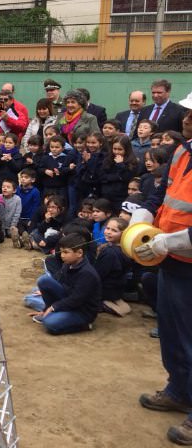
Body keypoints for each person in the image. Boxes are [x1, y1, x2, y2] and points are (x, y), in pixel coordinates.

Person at [129, 95, 192, 445]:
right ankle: (180, 389)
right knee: (171, 330)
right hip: (172, 260)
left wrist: (171, 241)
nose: (187, 118)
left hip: (184, 255)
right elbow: (160, 194)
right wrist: (143, 216)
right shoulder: (183, 152)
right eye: (188, 111)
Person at [28, 232, 101, 335]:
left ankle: (84, 325)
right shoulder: (68, 264)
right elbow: (57, 280)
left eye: (66, 252)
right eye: (61, 252)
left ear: (79, 253)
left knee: (49, 323)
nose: (62, 255)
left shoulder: (87, 273)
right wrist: (46, 302)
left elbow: (76, 299)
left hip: (82, 311)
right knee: (43, 281)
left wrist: (54, 307)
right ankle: (48, 311)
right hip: (68, 298)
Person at [95, 217, 131, 317]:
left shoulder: (110, 252)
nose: (108, 232)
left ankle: (106, 304)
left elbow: (98, 275)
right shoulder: (126, 248)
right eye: (108, 228)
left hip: (106, 290)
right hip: (117, 289)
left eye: (114, 230)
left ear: (123, 234)